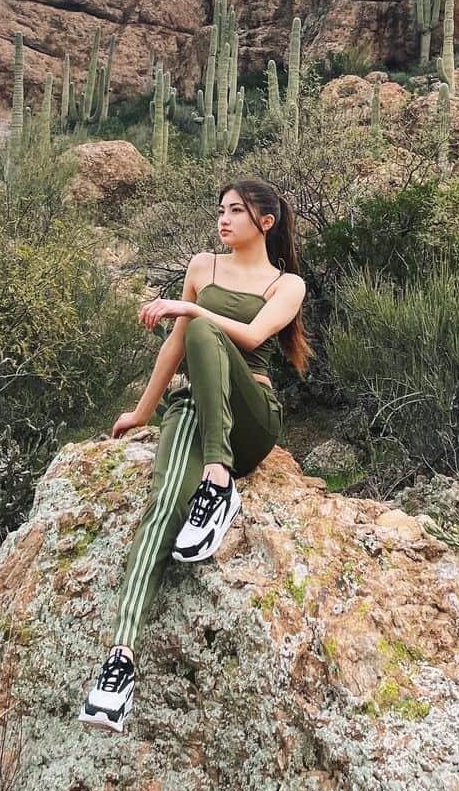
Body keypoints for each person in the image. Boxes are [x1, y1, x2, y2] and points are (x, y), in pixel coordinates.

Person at [80, 177, 311, 732]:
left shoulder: (288, 283)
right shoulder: (201, 267)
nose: (223, 220)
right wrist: (140, 413)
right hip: (193, 409)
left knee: (207, 330)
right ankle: (120, 662)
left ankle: (218, 478)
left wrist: (187, 308)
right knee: (163, 509)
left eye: (236, 211)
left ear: (266, 223)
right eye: (220, 210)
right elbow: (175, 345)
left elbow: (252, 337)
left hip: (251, 412)